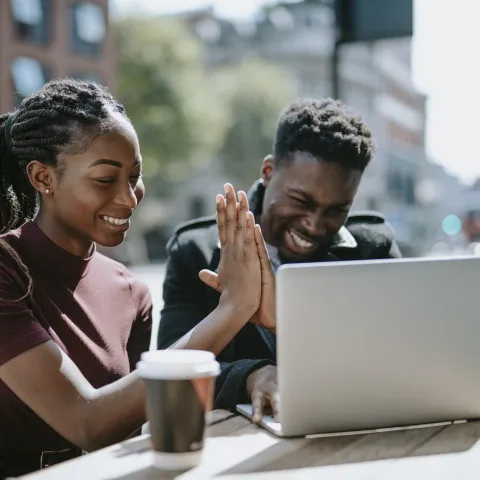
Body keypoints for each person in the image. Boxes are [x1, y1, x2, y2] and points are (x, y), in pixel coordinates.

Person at [0, 79, 263, 478]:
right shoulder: (6, 268)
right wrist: (232, 310)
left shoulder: (132, 291)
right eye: (106, 179)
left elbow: (128, 429)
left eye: (135, 175)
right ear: (43, 177)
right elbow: (86, 422)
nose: (128, 197)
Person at [158, 98, 402, 422]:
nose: (315, 225)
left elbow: (398, 357)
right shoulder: (195, 253)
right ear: (268, 171)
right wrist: (250, 376)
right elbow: (170, 369)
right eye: (301, 201)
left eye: (336, 210)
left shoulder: (374, 249)